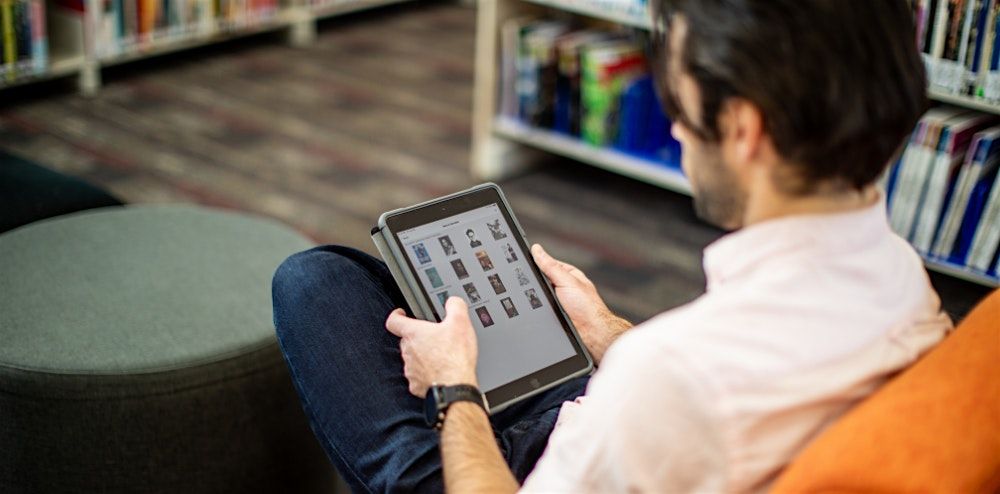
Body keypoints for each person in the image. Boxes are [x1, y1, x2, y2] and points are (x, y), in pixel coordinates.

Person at [271, 1, 952, 492]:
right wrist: (608, 333)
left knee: (313, 283)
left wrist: (455, 389)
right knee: (367, 283)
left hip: (541, 464)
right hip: (611, 421)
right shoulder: (898, 276)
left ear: (743, 129)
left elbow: (682, 392)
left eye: (678, 104)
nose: (676, 132)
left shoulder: (674, 370)